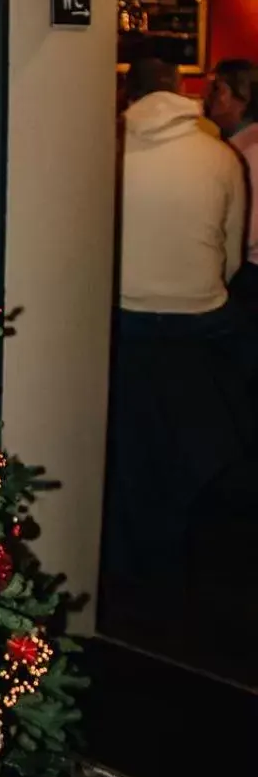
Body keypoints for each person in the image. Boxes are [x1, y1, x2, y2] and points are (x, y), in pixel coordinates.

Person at [103, 54, 252, 619]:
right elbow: (233, 259)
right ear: (182, 92)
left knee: (129, 439)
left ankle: (125, 557)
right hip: (201, 326)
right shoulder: (220, 156)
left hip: (126, 320)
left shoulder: (108, 152)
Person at [206, 57, 258, 306]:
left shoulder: (248, 154)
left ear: (228, 94)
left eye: (215, 89)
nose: (208, 99)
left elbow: (247, 236)